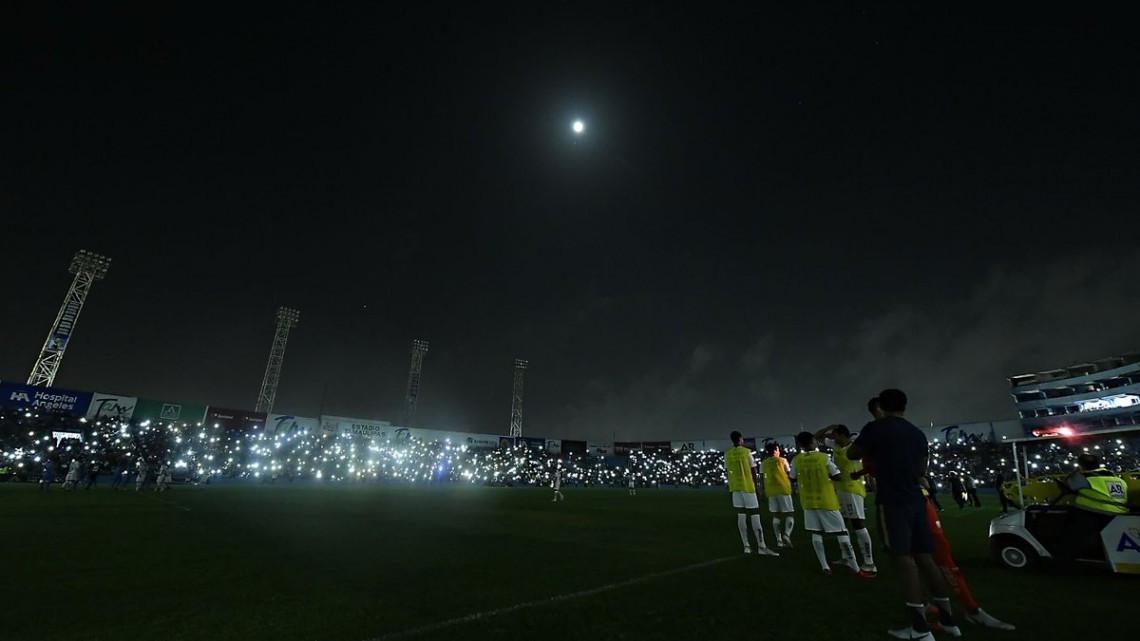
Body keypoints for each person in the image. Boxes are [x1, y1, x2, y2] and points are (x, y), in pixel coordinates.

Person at [848, 390, 959, 641]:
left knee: (903, 561)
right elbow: (922, 468)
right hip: (917, 500)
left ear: (881, 406)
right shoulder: (916, 432)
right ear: (905, 406)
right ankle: (948, 620)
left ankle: (920, 629)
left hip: (893, 501)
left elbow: (851, 454)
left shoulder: (875, 428)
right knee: (925, 559)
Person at [917, 478, 1016, 631]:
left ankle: (968, 611)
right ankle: (925, 606)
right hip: (904, 499)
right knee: (912, 560)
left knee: (936, 558)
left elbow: (922, 475)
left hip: (911, 500)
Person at [789, 431, 868, 576]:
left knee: (816, 532)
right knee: (842, 531)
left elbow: (792, 478)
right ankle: (856, 568)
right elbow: (837, 476)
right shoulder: (823, 458)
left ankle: (825, 567)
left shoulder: (796, 460)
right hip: (826, 500)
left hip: (808, 501)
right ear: (813, 442)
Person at [816, 424, 876, 573]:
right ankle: (846, 557)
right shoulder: (836, 445)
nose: (832, 437)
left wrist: (859, 474)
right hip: (839, 490)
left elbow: (872, 462)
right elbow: (817, 436)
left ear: (842, 434)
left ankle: (869, 562)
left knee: (858, 524)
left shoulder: (855, 447)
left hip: (852, 490)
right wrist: (829, 427)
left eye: (834, 434)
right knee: (841, 524)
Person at [1057, 454, 1129, 565]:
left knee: (1072, 536)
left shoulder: (1086, 478)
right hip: (1118, 514)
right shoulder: (1115, 477)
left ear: (1081, 465)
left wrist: (1077, 471)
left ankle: (1063, 563)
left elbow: (1068, 485)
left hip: (1094, 513)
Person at [724, 431, 778, 556]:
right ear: (741, 439)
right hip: (748, 486)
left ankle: (746, 546)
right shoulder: (746, 452)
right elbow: (753, 470)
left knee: (741, 515)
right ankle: (761, 546)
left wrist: (729, 487)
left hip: (735, 488)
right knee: (755, 514)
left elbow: (728, 471)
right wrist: (758, 488)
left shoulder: (727, 454)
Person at [759, 442, 795, 548]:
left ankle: (779, 540)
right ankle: (787, 534)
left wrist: (761, 491)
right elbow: (789, 475)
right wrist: (794, 488)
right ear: (775, 450)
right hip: (783, 489)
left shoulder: (763, 463)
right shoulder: (783, 460)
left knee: (776, 515)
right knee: (790, 513)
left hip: (771, 491)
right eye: (778, 449)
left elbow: (761, 479)